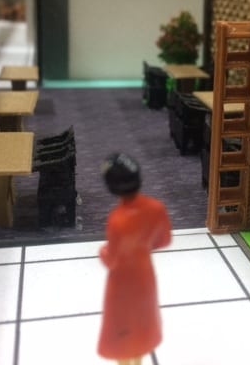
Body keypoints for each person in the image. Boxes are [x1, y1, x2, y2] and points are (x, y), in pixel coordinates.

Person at [98, 153, 172, 365]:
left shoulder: (117, 220)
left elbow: (112, 260)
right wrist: (143, 247)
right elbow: (164, 240)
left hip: (121, 282)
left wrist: (102, 252)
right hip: (144, 275)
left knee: (121, 329)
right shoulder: (157, 208)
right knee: (141, 325)